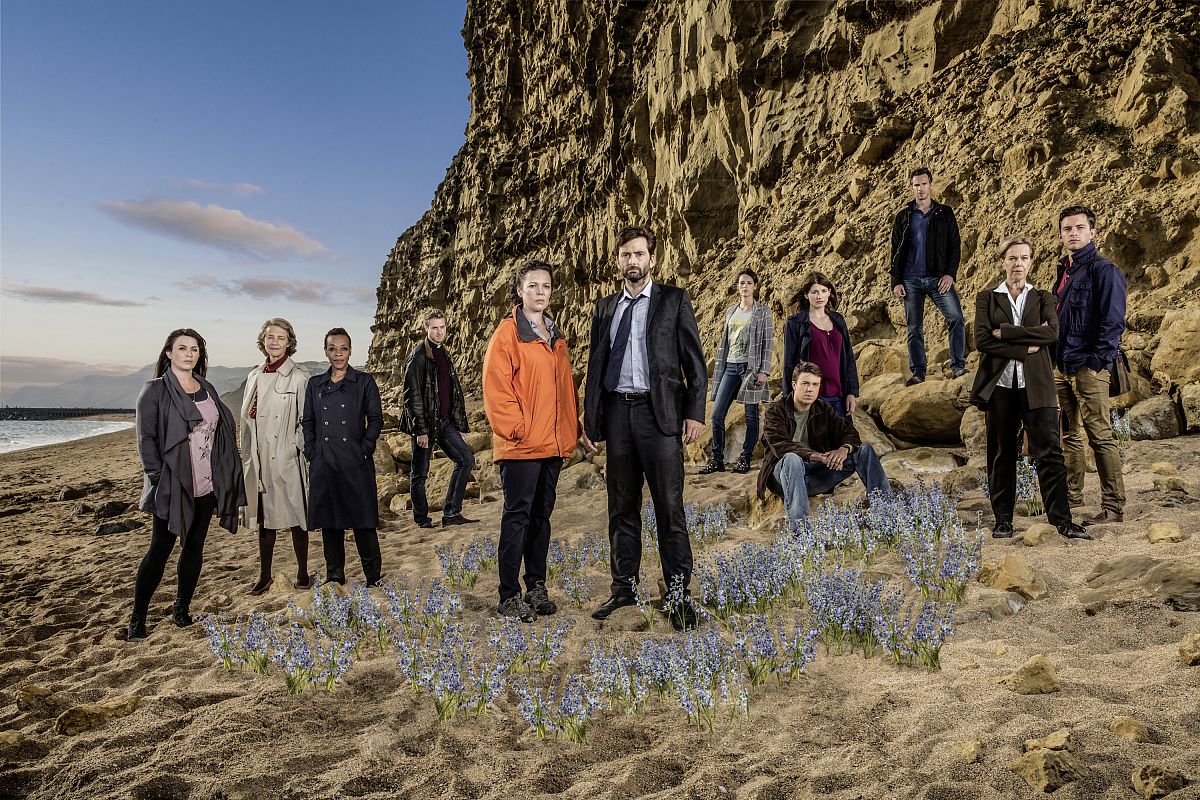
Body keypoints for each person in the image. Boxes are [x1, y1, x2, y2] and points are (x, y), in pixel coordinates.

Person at [583, 225, 707, 632]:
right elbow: (595, 367)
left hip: (660, 417)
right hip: (618, 414)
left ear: (652, 259)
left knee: (669, 508)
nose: (632, 261)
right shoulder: (605, 308)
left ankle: (678, 594)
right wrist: (592, 420)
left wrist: (694, 413)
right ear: (618, 260)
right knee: (621, 506)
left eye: (639, 254)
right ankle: (624, 588)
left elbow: (694, 363)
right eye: (625, 255)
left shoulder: (674, 300)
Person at [129, 329, 246, 641]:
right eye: (182, 348)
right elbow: (146, 440)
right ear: (169, 353)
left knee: (194, 547)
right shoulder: (154, 390)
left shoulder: (206, 387)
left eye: (194, 349)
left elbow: (219, 431)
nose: (188, 354)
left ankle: (181, 610)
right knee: (160, 548)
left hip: (206, 484)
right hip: (173, 483)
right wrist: (159, 478)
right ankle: (138, 618)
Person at [970, 237, 1090, 540]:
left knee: (1049, 452)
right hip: (999, 386)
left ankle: (1062, 521)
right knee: (1000, 453)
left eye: (1024, 258)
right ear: (1002, 262)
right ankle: (1003, 521)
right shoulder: (987, 298)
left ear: (1031, 263)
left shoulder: (1044, 297)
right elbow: (982, 341)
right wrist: (1025, 349)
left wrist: (1007, 333)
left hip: (1037, 385)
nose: (1018, 264)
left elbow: (1052, 334)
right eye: (1012, 258)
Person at [482, 262, 582, 622]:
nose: (540, 292)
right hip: (522, 447)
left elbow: (564, 390)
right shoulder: (508, 334)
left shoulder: (556, 336)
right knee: (517, 518)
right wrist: (518, 430)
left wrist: (575, 427)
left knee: (541, 518)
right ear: (520, 291)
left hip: (552, 445)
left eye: (546, 286)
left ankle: (536, 586)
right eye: (533, 286)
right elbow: (496, 388)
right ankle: (508, 595)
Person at [1052, 205, 1127, 526]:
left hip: (1088, 366)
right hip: (1061, 365)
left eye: (1080, 228)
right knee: (1068, 434)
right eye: (1068, 229)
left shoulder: (1103, 270)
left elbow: (1113, 321)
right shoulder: (1063, 271)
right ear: (1060, 235)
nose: (1073, 233)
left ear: (1092, 232)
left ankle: (1113, 508)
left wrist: (1097, 364)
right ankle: (1073, 494)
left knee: (1100, 434)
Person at [302, 328, 384, 586]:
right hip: (324, 461)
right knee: (330, 521)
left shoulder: (363, 382)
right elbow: (309, 421)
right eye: (333, 349)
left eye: (343, 348)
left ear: (350, 350)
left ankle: (373, 577)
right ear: (325, 351)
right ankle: (335, 575)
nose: (338, 354)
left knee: (363, 522)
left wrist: (366, 447)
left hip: (355, 460)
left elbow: (376, 419)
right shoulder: (315, 384)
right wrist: (312, 450)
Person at [758, 363, 889, 522]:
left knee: (864, 451)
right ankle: (799, 530)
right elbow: (780, 445)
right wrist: (818, 456)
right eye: (805, 383)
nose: (810, 389)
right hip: (783, 477)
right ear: (794, 385)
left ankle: (885, 513)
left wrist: (844, 449)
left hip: (815, 476)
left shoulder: (823, 408)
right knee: (792, 458)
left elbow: (849, 432)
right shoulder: (776, 410)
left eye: (815, 384)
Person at [240, 318, 312, 595]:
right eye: (270, 337)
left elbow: (306, 420)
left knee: (297, 516)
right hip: (259, 457)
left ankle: (303, 573)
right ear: (263, 340)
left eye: (280, 338)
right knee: (264, 518)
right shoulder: (254, 376)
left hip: (287, 456)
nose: (274, 342)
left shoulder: (300, 377)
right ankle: (264, 575)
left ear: (289, 342)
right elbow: (248, 420)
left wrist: (294, 447)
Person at [889, 167, 967, 384]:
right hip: (910, 280)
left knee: (956, 318)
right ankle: (918, 373)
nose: (920, 188)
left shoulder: (945, 213)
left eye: (924, 184)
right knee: (914, 328)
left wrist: (950, 274)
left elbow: (955, 246)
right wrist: (896, 281)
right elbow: (895, 249)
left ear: (930, 185)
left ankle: (958, 366)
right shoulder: (904, 216)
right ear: (911, 187)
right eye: (916, 184)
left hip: (938, 278)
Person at [401, 309, 476, 529]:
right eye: (435, 327)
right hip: (425, 424)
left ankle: (452, 513)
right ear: (426, 328)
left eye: (442, 327)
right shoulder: (418, 356)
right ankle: (421, 519)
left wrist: (458, 424)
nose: (440, 331)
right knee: (419, 474)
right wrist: (420, 430)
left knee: (465, 460)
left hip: (444, 422)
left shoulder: (443, 352)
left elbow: (452, 390)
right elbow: (411, 396)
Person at [700, 268, 773, 475]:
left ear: (755, 286)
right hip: (730, 367)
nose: (745, 286)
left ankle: (745, 458)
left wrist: (764, 371)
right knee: (716, 414)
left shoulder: (762, 312)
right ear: (737, 286)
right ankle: (717, 459)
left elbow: (768, 343)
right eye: (741, 283)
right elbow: (725, 342)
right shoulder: (730, 311)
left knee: (751, 415)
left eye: (749, 283)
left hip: (750, 368)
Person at [782, 271, 860, 418]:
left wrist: (851, 392)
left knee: (842, 440)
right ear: (806, 294)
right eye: (814, 292)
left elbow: (849, 357)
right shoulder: (796, 323)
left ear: (829, 292)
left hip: (838, 396)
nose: (819, 296)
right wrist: (788, 399)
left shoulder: (838, 320)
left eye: (824, 291)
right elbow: (789, 363)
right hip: (811, 397)